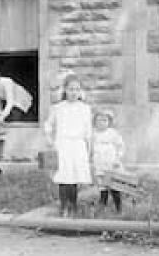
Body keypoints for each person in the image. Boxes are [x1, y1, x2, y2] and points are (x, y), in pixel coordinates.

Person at [43, 73, 92, 217]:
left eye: (77, 89)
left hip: (78, 144)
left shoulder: (85, 108)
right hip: (63, 143)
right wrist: (49, 139)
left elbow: (88, 130)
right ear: (65, 90)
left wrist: (89, 148)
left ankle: (73, 204)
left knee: (75, 175)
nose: (74, 93)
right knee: (64, 175)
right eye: (71, 89)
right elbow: (48, 124)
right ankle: (64, 205)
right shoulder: (59, 107)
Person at [91, 108, 124, 213]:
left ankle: (118, 207)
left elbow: (120, 146)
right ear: (95, 122)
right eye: (99, 120)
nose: (102, 123)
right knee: (102, 185)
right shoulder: (93, 134)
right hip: (99, 162)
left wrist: (117, 158)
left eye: (104, 120)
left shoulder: (113, 133)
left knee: (113, 184)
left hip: (110, 161)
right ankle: (102, 205)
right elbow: (90, 148)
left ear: (109, 122)